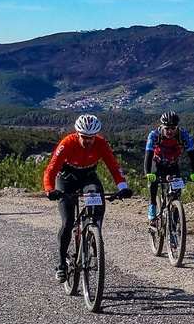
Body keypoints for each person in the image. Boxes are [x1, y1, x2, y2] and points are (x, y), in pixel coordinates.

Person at [43, 114, 132, 283]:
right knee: (68, 222)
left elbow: (114, 166)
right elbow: (51, 169)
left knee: (98, 200)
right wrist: (49, 189)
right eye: (84, 137)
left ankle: (93, 234)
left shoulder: (101, 143)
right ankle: (62, 264)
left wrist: (122, 187)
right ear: (78, 134)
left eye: (91, 137)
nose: (88, 141)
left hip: (88, 177)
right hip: (66, 179)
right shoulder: (67, 143)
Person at [143, 110, 194, 223]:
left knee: (177, 194)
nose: (170, 131)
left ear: (177, 127)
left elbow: (192, 154)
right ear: (162, 127)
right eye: (167, 128)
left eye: (173, 128)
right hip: (157, 164)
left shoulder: (182, 135)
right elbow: (148, 154)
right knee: (153, 180)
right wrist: (147, 172)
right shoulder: (155, 135)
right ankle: (153, 204)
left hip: (173, 165)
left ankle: (175, 223)